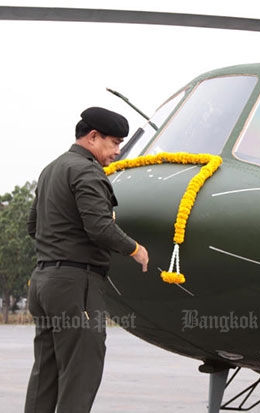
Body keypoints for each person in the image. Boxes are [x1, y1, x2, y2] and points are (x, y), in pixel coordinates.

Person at [25, 107, 149, 413]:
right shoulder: (87, 171)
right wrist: (134, 248)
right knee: (81, 374)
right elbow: (99, 227)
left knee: (46, 373)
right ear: (93, 137)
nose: (118, 151)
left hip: (43, 283)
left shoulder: (51, 169)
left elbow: (32, 226)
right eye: (114, 143)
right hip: (75, 285)